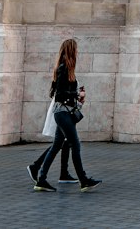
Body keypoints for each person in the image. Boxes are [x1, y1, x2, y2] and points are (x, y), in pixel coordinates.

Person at [33, 38, 101, 192]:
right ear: (71, 50)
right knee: (75, 145)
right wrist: (77, 95)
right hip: (63, 114)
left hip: (62, 113)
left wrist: (77, 96)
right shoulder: (64, 69)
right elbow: (60, 94)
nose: (77, 52)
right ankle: (83, 180)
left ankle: (41, 179)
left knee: (57, 145)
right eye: (76, 49)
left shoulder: (64, 68)